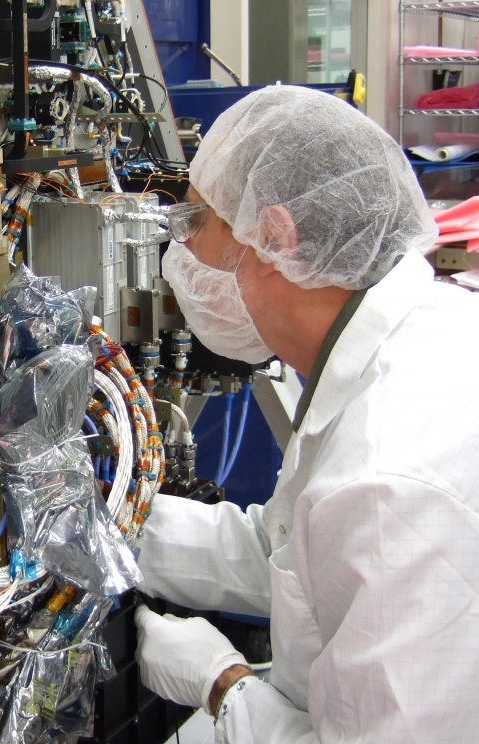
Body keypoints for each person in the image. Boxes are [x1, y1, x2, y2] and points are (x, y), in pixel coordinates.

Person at [134, 84, 479, 743]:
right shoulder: (411, 339)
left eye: (196, 223)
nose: (181, 250)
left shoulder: (391, 478)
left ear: (274, 236)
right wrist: (112, 526)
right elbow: (293, 553)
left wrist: (222, 684)